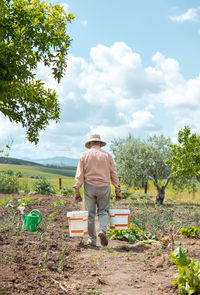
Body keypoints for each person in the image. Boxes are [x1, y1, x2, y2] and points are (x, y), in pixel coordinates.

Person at [73, 134, 122, 247]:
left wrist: (77, 189)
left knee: (90, 214)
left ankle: (92, 240)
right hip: (104, 187)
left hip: (89, 187)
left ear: (90, 144)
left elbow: (79, 174)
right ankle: (102, 230)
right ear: (100, 144)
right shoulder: (107, 156)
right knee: (103, 211)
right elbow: (113, 173)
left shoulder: (84, 155)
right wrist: (117, 189)